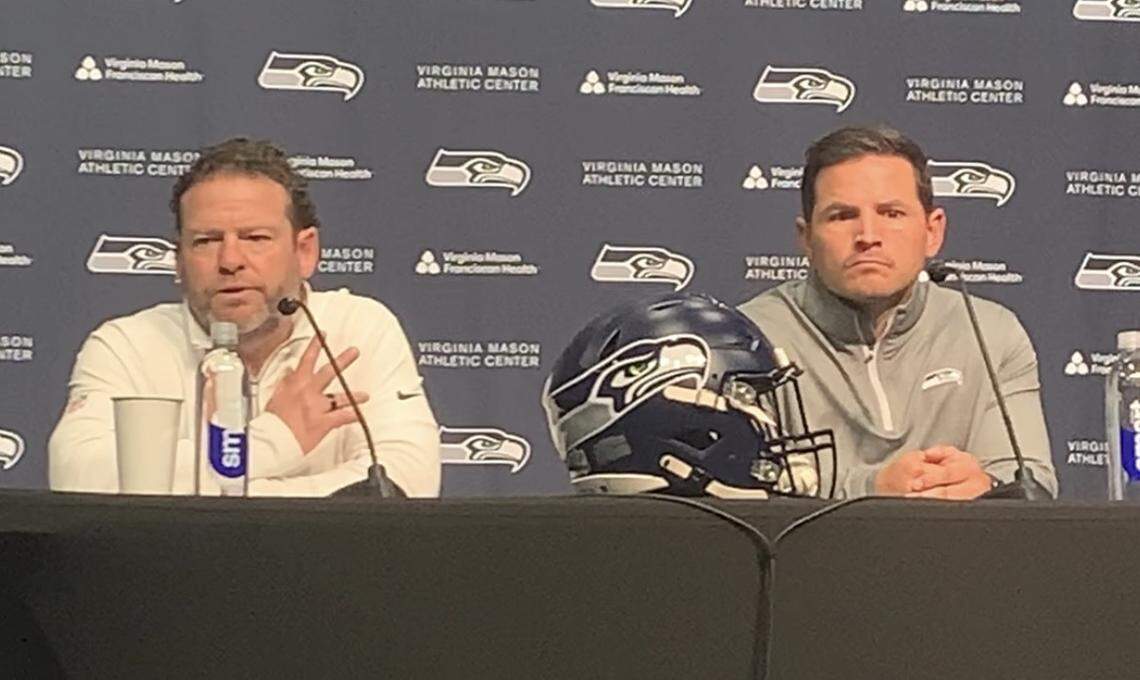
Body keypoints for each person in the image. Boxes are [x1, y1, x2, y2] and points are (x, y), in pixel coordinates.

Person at [49, 137, 441, 497]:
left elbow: (401, 484)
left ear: (304, 251)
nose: (230, 261)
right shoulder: (127, 346)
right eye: (206, 241)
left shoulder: (359, 329)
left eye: (255, 238)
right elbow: (79, 477)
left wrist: (212, 494)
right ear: (178, 260)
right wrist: (275, 442)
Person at [738, 124, 1057, 500]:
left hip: (960, 554)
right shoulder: (748, 340)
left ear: (932, 231)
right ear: (806, 238)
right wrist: (872, 490)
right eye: (842, 216)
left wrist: (989, 486)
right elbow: (739, 495)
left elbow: (1032, 481)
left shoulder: (991, 333)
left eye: (891, 213)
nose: (868, 235)